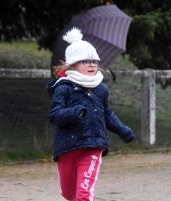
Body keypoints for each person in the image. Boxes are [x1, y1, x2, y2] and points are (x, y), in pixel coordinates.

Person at [46, 27, 135, 200]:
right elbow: (54, 116)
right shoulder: (63, 87)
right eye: (86, 61)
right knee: (69, 194)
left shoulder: (101, 89)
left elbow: (106, 113)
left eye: (94, 61)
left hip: (93, 146)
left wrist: (123, 130)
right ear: (72, 64)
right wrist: (74, 111)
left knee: (84, 195)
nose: (92, 64)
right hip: (67, 147)